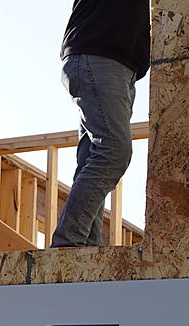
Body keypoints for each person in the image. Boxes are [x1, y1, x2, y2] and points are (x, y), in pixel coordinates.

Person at [50, 1, 150, 248]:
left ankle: (84, 246)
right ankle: (69, 244)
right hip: (100, 56)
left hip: (118, 64)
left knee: (93, 159)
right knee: (113, 152)